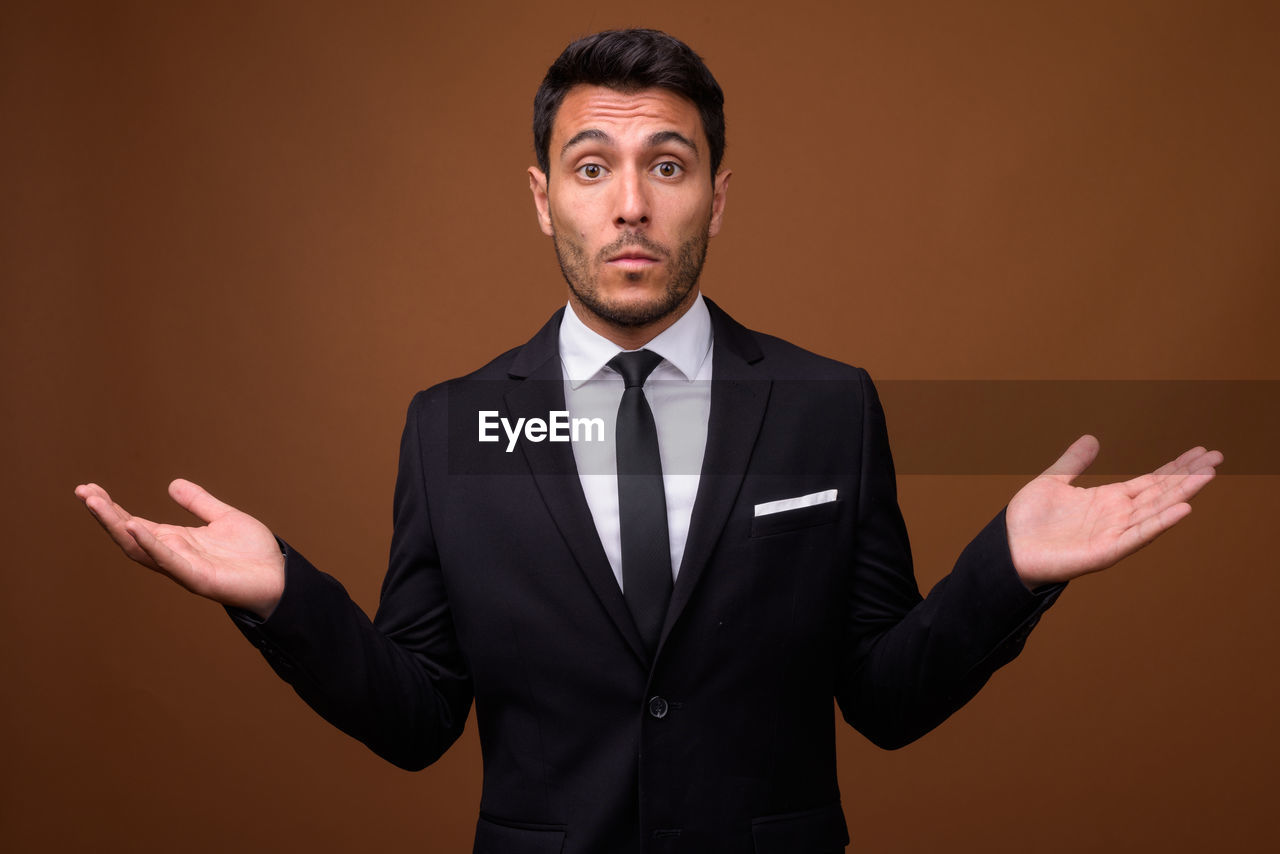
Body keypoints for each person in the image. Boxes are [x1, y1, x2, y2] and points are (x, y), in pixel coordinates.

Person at [75, 29, 1221, 854]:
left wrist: (1004, 571)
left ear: (715, 196)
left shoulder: (825, 406)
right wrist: (282, 595)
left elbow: (883, 697)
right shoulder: (458, 423)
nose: (630, 204)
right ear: (542, 198)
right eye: (592, 168)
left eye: (666, 166)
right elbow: (419, 715)